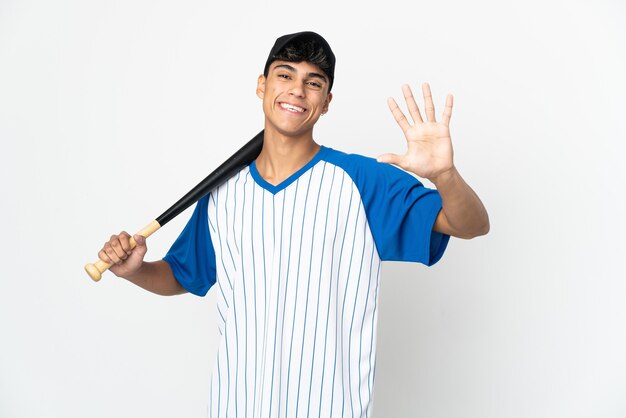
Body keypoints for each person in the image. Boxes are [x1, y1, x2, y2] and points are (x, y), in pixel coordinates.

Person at [97, 31, 489, 418]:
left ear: (327, 101)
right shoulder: (222, 192)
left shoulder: (364, 180)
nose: (297, 90)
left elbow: (470, 224)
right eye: (285, 75)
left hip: (330, 407)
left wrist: (445, 175)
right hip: (236, 404)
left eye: (313, 82)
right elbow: (183, 275)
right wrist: (137, 272)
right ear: (262, 85)